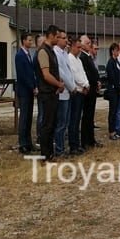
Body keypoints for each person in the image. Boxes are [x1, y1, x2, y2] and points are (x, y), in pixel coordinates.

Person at [33, 25, 64, 162]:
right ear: (50, 35)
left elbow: (54, 72)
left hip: (53, 92)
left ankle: (50, 153)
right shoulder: (43, 52)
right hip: (46, 94)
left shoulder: (50, 51)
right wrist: (58, 84)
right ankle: (45, 155)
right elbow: (46, 75)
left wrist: (59, 83)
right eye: (57, 37)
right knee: (47, 125)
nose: (58, 39)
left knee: (52, 124)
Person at [53, 29, 76, 157]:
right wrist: (72, 86)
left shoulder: (64, 53)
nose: (66, 40)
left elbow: (69, 72)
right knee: (61, 124)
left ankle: (62, 148)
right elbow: (62, 73)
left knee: (65, 123)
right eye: (63, 38)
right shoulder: (56, 53)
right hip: (62, 93)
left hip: (68, 91)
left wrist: (72, 86)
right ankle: (59, 149)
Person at [14, 32, 36, 154]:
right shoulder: (20, 55)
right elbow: (23, 75)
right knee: (24, 117)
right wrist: (31, 86)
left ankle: (28, 142)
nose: (30, 42)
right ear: (23, 41)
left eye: (31, 40)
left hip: (30, 90)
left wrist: (34, 85)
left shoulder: (28, 55)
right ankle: (22, 143)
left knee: (28, 117)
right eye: (29, 40)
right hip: (24, 91)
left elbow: (31, 73)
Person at [79, 36, 102, 149]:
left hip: (93, 88)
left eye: (89, 43)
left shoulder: (88, 56)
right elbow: (87, 74)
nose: (89, 44)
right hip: (88, 90)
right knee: (87, 116)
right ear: (82, 44)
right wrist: (93, 81)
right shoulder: (82, 57)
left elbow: (94, 72)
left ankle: (91, 139)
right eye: (87, 43)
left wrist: (97, 81)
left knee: (90, 116)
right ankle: (85, 141)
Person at [67, 36, 89, 155]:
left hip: (82, 90)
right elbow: (75, 76)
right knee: (73, 120)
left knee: (77, 119)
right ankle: (73, 145)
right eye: (78, 47)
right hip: (76, 92)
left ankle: (77, 143)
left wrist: (87, 84)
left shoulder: (78, 59)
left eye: (81, 47)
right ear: (72, 46)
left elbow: (83, 73)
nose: (79, 50)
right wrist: (85, 84)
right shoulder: (69, 59)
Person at [106, 43, 120, 140]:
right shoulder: (110, 62)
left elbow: (119, 76)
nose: (118, 52)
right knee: (112, 111)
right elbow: (112, 77)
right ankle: (111, 131)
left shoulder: (117, 61)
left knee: (116, 110)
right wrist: (118, 87)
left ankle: (115, 131)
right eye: (116, 50)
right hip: (113, 90)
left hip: (117, 89)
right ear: (113, 51)